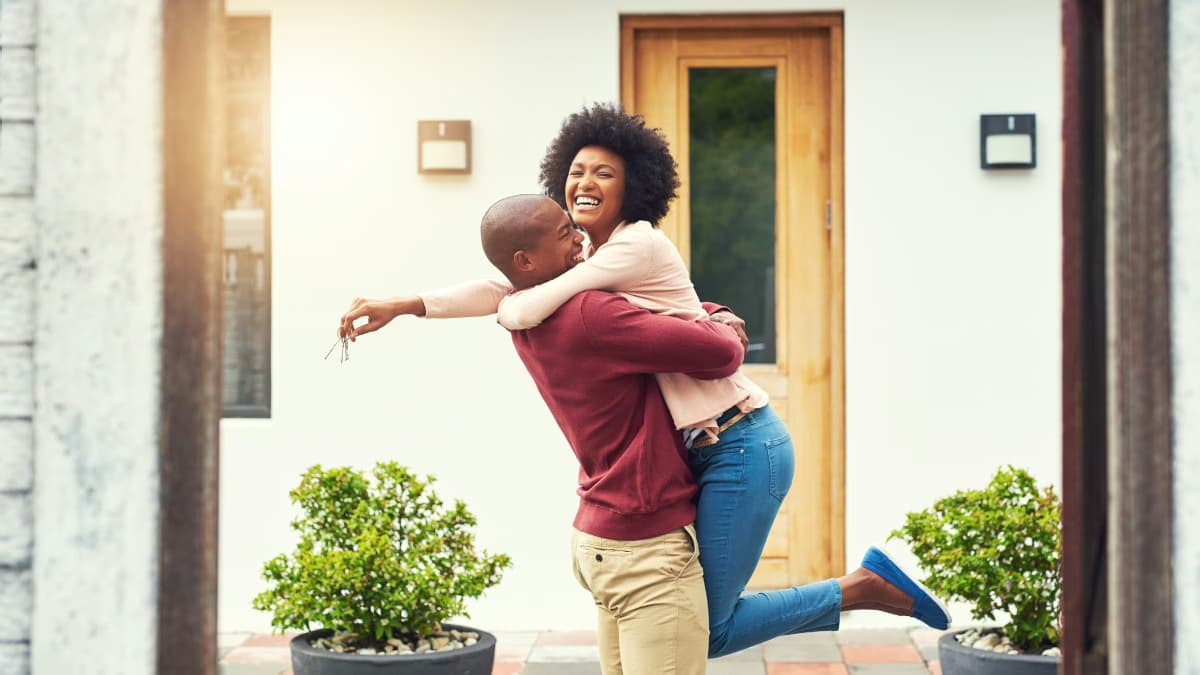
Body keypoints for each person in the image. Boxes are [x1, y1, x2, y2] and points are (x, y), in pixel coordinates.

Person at [338, 105, 951, 659]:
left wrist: (715, 321)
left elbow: (525, 299)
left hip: (741, 441)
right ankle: (861, 587)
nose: (585, 183)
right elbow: (506, 286)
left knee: (706, 625)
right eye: (577, 171)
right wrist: (410, 302)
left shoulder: (627, 248)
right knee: (704, 624)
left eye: (605, 173)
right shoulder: (582, 264)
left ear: (636, 185)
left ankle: (858, 589)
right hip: (704, 444)